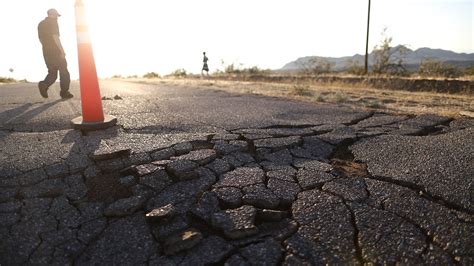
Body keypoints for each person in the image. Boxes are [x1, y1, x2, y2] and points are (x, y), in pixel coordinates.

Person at [38, 8, 73, 99]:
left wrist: (47, 49)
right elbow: (55, 37)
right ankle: (64, 93)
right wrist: (62, 50)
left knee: (52, 72)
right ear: (52, 15)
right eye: (57, 15)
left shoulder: (40, 24)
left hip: (46, 52)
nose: (57, 17)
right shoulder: (53, 22)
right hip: (56, 51)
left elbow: (41, 40)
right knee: (64, 72)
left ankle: (44, 84)